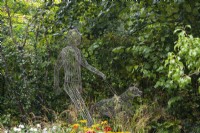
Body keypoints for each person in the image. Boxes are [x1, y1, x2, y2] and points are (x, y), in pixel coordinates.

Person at [54, 28, 106, 126]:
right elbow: (56, 68)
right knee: (81, 105)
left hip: (78, 82)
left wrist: (100, 73)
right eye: (76, 38)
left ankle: (71, 126)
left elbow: (86, 65)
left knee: (74, 106)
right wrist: (56, 85)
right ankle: (90, 124)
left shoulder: (77, 51)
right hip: (69, 83)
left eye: (79, 38)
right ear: (71, 38)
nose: (79, 40)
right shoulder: (65, 51)